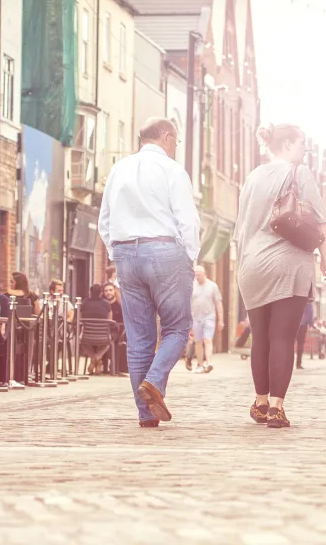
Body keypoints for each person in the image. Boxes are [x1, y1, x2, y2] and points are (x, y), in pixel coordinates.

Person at [98, 117, 200, 428]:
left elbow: (105, 221)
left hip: (126, 253)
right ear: (167, 137)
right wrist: (190, 259)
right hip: (165, 250)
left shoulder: (118, 169)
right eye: (176, 141)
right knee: (177, 329)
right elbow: (188, 220)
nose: (176, 148)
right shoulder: (171, 169)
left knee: (140, 338)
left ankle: (146, 414)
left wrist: (118, 254)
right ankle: (154, 382)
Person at [234, 123, 326, 429]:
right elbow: (320, 222)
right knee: (282, 338)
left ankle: (260, 401)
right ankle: (276, 407)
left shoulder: (253, 176)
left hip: (252, 265)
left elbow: (241, 228)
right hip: (288, 265)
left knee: (260, 338)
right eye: (302, 145)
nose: (304, 151)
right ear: (288, 144)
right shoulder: (298, 172)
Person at [190, 266, 223, 374]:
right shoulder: (192, 286)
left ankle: (209, 362)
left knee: (207, 339)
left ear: (204, 273)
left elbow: (218, 303)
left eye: (199, 274)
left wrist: (220, 320)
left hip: (209, 317)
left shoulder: (212, 286)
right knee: (198, 341)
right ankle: (200, 364)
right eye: (195, 274)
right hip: (195, 318)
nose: (197, 276)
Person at [79, 283, 115, 374]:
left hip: (87, 336)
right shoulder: (106, 304)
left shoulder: (84, 304)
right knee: (107, 344)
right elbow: (110, 320)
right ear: (101, 293)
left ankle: (93, 359)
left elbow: (80, 320)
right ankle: (97, 359)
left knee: (82, 342)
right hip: (103, 337)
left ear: (90, 292)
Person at [294, 289, 313, 370]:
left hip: (293, 324)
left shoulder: (295, 301)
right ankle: (298, 364)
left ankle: (287, 363)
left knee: (289, 344)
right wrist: (311, 324)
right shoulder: (308, 304)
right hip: (302, 325)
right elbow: (310, 316)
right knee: (300, 344)